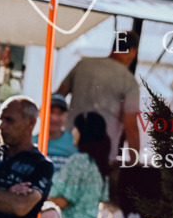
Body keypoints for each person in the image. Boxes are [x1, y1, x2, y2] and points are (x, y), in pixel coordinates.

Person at [56, 30, 141, 169]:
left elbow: (57, 98)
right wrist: (134, 163)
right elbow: (131, 127)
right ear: (132, 51)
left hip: (69, 146)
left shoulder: (83, 65)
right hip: (101, 154)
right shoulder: (128, 80)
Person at [49, 112, 110, 218]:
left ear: (83, 132)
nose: (73, 132)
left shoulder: (78, 161)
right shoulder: (100, 164)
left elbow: (64, 201)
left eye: (75, 128)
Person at [34, 93, 78, 175]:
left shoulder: (75, 144)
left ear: (66, 115)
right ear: (40, 113)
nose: (54, 118)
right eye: (50, 112)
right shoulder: (30, 143)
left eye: (60, 113)